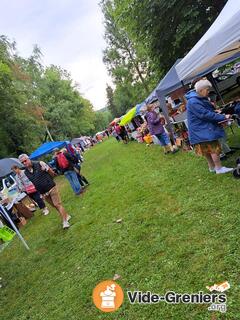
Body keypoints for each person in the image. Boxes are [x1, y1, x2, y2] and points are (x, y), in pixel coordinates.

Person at [186, 79, 233, 174]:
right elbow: (205, 114)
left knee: (206, 149)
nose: (208, 92)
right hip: (202, 128)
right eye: (207, 90)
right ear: (201, 90)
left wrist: (215, 111)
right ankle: (219, 168)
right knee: (213, 148)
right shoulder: (194, 101)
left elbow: (205, 112)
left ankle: (212, 167)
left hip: (199, 129)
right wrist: (223, 117)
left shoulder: (196, 99)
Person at [18, 154, 71, 229]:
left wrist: (47, 171)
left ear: (28, 159)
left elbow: (52, 173)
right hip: (43, 192)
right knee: (54, 206)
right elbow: (34, 182)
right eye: (22, 162)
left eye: (25, 161)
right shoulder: (26, 172)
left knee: (57, 204)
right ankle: (66, 216)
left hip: (51, 187)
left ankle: (65, 222)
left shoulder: (40, 163)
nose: (24, 163)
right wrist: (40, 193)